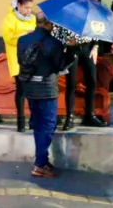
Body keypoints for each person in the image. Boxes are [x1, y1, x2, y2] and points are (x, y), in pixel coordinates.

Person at [17, 15, 76, 178]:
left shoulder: (22, 40)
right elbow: (60, 65)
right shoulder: (53, 42)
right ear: (49, 24)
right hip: (46, 88)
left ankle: (42, 160)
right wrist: (71, 49)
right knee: (49, 125)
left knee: (37, 124)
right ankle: (39, 164)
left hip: (29, 86)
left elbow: (20, 61)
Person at [53, 0, 107, 129]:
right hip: (72, 49)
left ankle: (89, 115)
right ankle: (69, 118)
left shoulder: (87, 9)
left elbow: (96, 27)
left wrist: (95, 46)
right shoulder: (62, 11)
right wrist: (66, 42)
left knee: (92, 81)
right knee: (71, 84)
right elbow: (56, 33)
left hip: (87, 48)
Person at [1, 0, 37, 132]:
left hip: (33, 59)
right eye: (26, 8)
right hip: (17, 59)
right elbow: (9, 38)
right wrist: (26, 34)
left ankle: (34, 120)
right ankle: (21, 122)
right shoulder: (9, 19)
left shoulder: (33, 18)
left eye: (30, 8)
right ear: (19, 6)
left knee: (34, 91)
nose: (29, 10)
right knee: (21, 91)